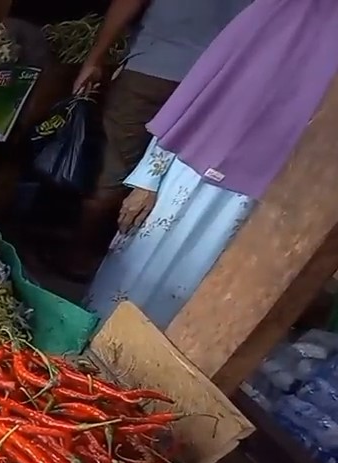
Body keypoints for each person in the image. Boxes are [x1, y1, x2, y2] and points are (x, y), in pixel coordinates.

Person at [83, 0, 338, 328]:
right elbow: (204, 83)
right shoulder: (279, 10)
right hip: (187, 171)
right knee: (124, 289)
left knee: (191, 307)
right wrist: (150, 175)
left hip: (266, 199)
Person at [53, 0, 251, 277]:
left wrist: (94, 58)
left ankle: (80, 256)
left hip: (151, 72)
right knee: (170, 179)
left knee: (115, 167)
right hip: (210, 87)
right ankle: (119, 266)